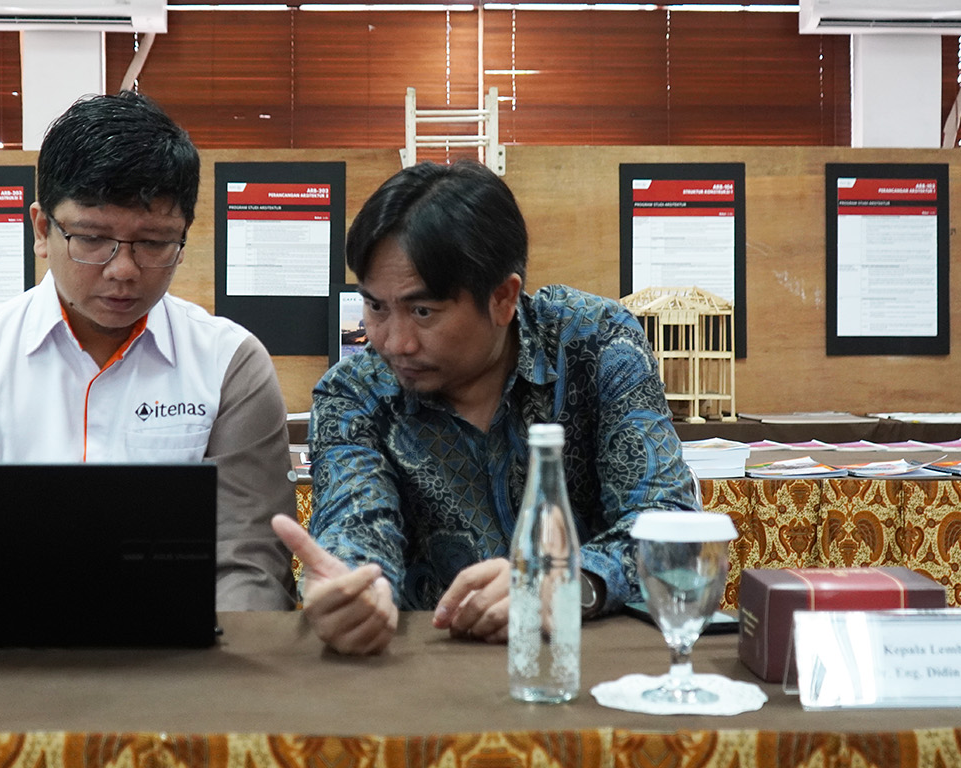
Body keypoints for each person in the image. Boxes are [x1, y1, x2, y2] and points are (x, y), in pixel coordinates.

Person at [0, 91, 294, 611]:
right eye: (92, 238)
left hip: (181, 650)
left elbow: (250, 562)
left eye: (154, 243)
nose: (123, 269)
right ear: (42, 230)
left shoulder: (229, 363)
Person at [273, 160, 697, 654]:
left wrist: (567, 584)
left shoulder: (597, 344)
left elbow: (670, 527)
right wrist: (356, 593)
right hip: (425, 672)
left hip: (587, 664)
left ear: (502, 298)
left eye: (423, 311)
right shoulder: (355, 394)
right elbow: (355, 527)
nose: (394, 343)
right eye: (376, 307)